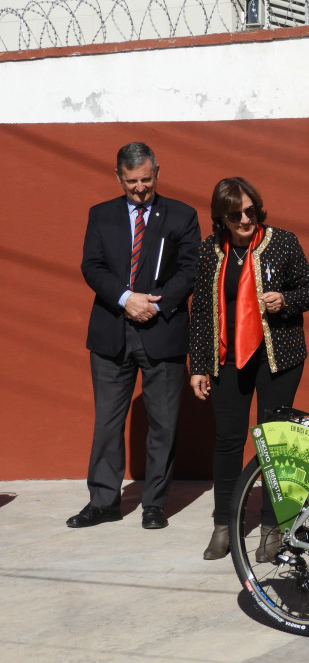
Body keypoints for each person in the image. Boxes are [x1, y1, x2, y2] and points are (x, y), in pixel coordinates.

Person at [68, 142, 201, 531]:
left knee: (164, 423)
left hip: (163, 331)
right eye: (131, 182)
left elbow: (191, 270)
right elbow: (91, 266)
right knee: (107, 422)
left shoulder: (182, 215)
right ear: (118, 178)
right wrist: (127, 299)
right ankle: (103, 502)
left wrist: (154, 305)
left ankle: (154, 505)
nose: (140, 188)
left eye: (146, 179)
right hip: (111, 332)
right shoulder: (101, 215)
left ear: (157, 171)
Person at [188, 178, 309, 560]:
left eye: (251, 210)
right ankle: (224, 525)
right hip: (228, 358)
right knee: (229, 441)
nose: (246, 219)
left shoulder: (282, 241)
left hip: (278, 357)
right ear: (221, 217)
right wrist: (198, 365)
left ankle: (273, 527)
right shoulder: (209, 252)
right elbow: (199, 313)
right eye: (236, 214)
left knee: (276, 442)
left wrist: (287, 299)